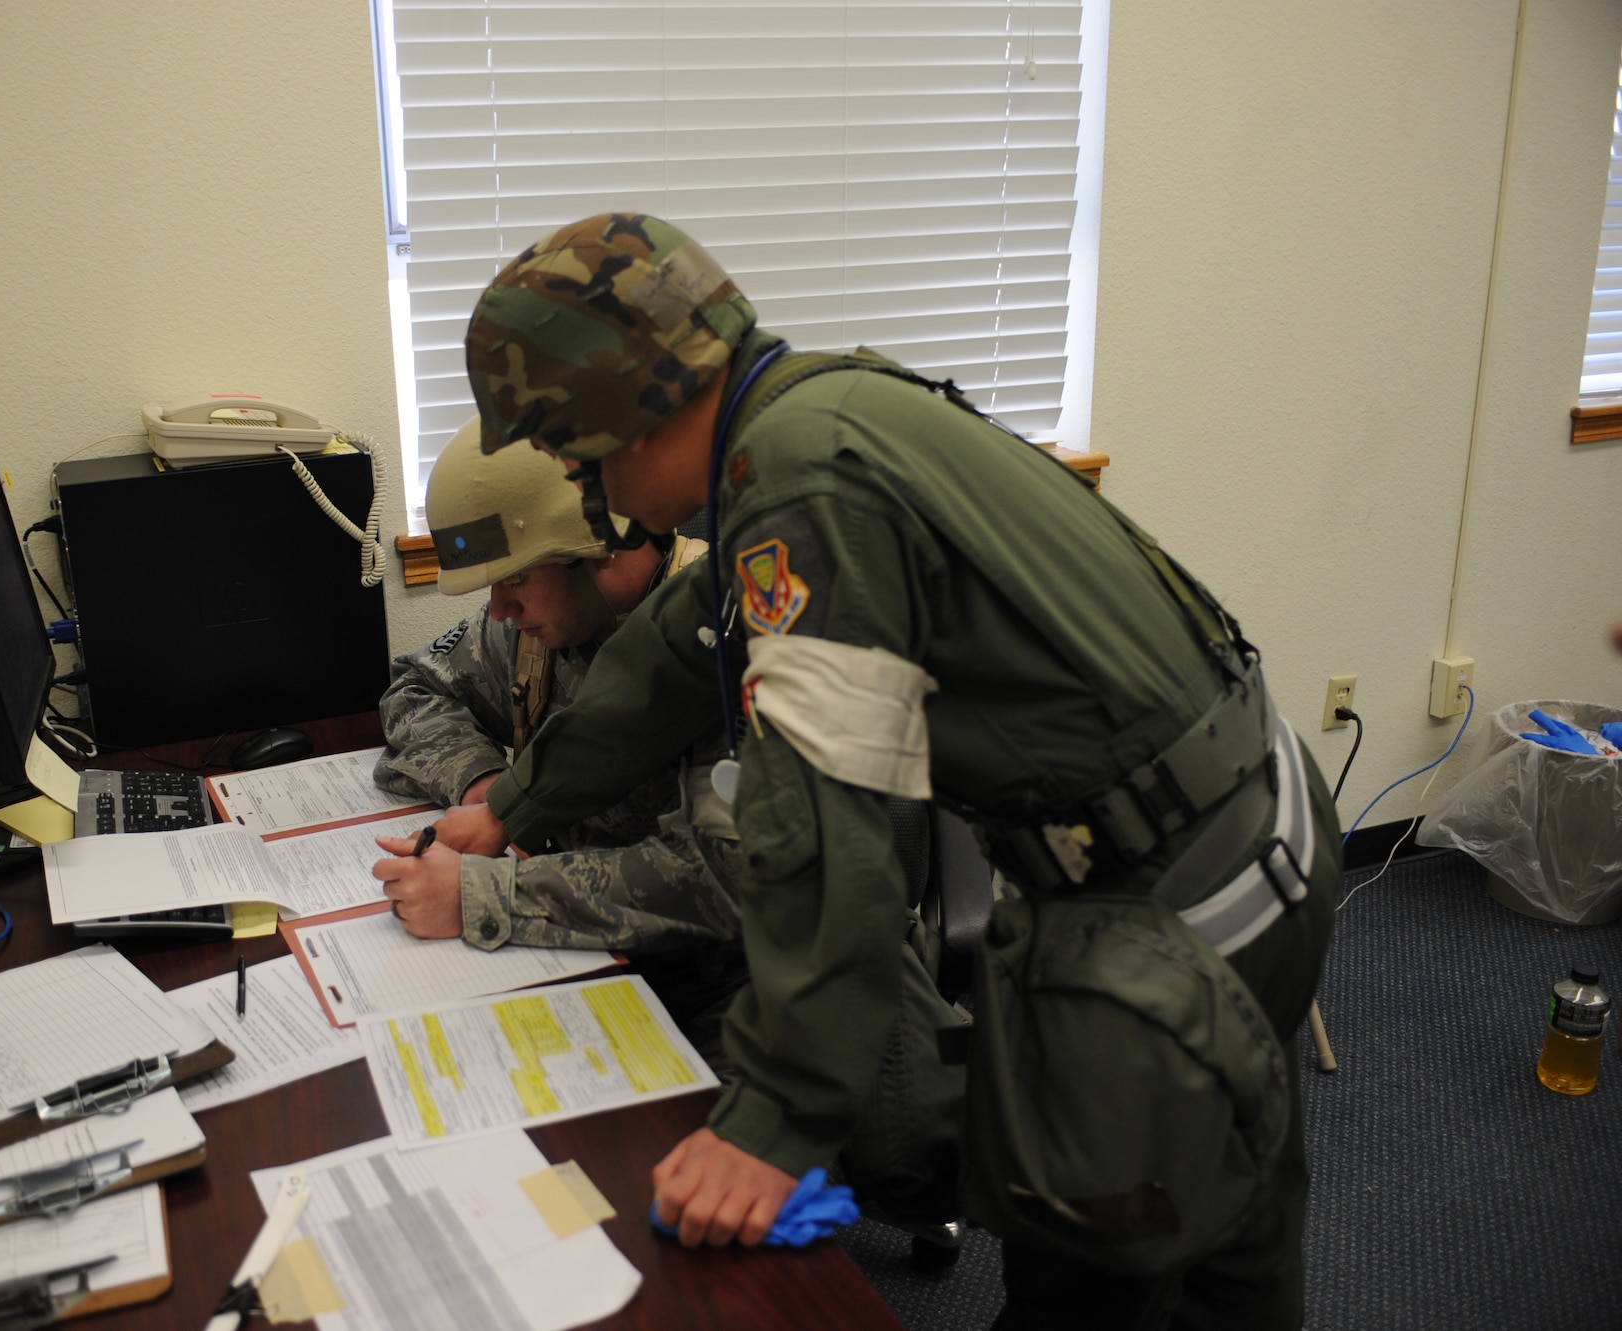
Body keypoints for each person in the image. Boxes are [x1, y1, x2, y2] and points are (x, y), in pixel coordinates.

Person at [436, 212, 1340, 1330]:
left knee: (1107, 1258)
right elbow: (681, 642)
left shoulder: (803, 492)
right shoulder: (808, 410)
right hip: (1253, 820)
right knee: (1225, 1197)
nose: (597, 494)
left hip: (1184, 901)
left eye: (580, 457)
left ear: (628, 415)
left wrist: (770, 1123)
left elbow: (823, 828)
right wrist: (516, 804)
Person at [369, 416, 745, 1063]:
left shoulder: (732, 631)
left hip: (740, 1001)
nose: (499, 609)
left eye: (514, 578)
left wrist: (482, 895)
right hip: (590, 958)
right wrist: (490, 791)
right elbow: (415, 687)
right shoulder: (542, 630)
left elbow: (725, 878)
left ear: (597, 546)